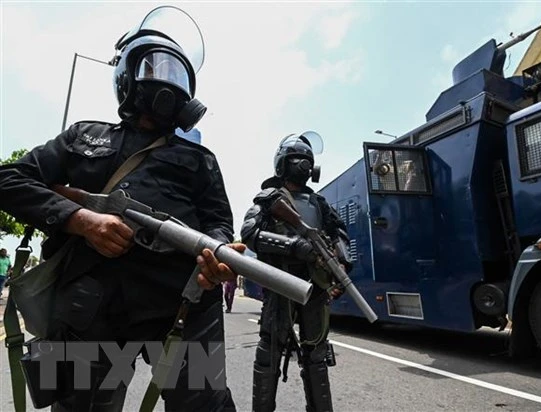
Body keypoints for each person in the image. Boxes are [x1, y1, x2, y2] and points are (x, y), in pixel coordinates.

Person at [0, 6, 242, 411]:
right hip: (90, 309)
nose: (166, 79)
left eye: (175, 71)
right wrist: (81, 220)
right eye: (154, 67)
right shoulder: (84, 135)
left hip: (180, 304)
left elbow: (219, 223)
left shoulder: (200, 159)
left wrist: (215, 255)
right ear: (127, 77)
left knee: (205, 406)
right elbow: (9, 180)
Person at [241, 132, 352, 412]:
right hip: (281, 283)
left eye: (306, 161)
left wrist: (341, 267)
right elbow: (250, 234)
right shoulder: (270, 199)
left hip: (315, 286)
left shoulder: (319, 204)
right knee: (270, 354)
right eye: (297, 160)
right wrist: (294, 246)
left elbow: (338, 234)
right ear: (284, 163)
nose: (303, 166)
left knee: (316, 355)